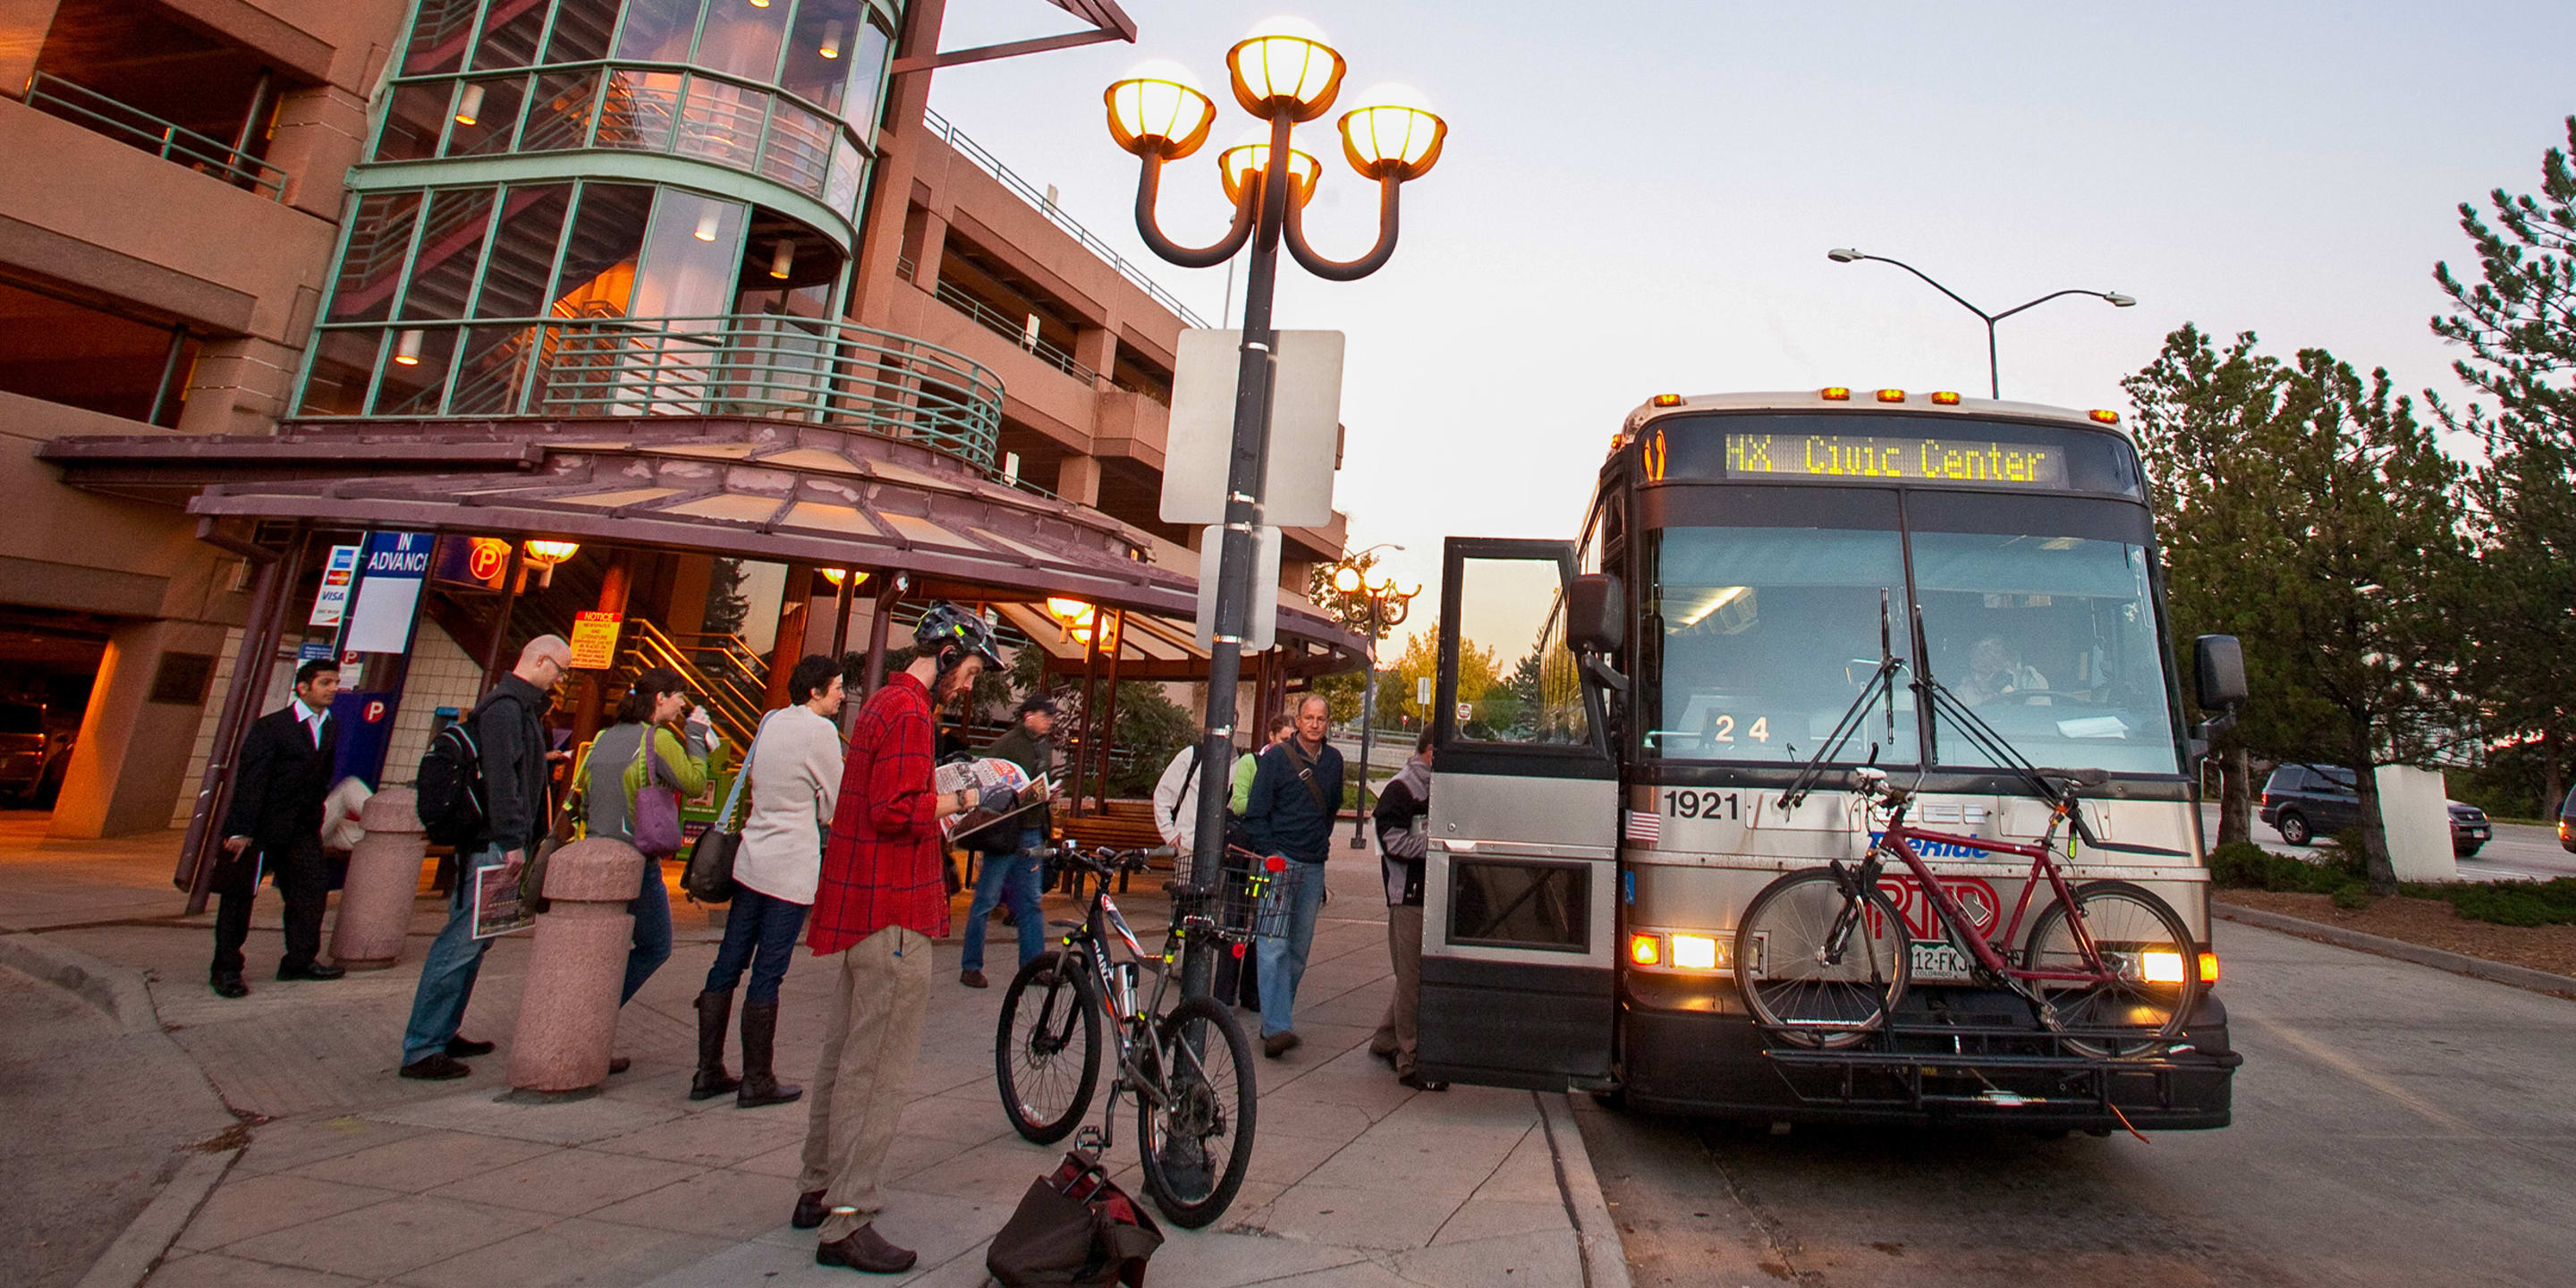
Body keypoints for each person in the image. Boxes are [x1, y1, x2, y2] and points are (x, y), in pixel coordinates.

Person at [792, 604, 1003, 1274]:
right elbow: (898, 808)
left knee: (842, 1053)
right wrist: (969, 801)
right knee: (879, 1067)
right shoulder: (911, 712)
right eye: (968, 672)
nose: (968, 686)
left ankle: (816, 1186)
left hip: (859, 904)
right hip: (894, 914)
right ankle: (846, 1218)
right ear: (945, 657)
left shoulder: (882, 703)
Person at [398, 635, 569, 1080]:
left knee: (476, 940)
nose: (561, 680)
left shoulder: (515, 708)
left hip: (497, 842)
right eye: (560, 669)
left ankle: (442, 1030)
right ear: (540, 660)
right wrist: (513, 838)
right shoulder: (505, 709)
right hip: (491, 844)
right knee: (460, 942)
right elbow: (501, 778)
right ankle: (422, 1046)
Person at [697, 655, 844, 1107]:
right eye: (837, 687)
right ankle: (757, 1078)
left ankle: (708, 1070)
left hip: (751, 859)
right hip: (790, 864)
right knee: (769, 971)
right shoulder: (820, 732)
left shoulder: (771, 721)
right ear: (816, 691)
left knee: (729, 962)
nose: (841, 694)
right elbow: (836, 802)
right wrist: (818, 806)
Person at [581, 668, 712, 1045]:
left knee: (600, 946)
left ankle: (582, 1015)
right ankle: (595, 1016)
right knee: (656, 945)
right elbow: (695, 783)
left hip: (594, 852)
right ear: (660, 699)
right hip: (637, 859)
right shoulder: (658, 740)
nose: (682, 703)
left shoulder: (604, 737)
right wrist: (696, 740)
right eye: (678, 696)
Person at [209, 658, 346, 997]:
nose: (333, 689)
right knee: (239, 898)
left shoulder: (330, 726)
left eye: (335, 682)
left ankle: (299, 960)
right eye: (325, 683)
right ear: (303, 687)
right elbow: (251, 781)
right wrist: (240, 830)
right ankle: (226, 968)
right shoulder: (271, 727)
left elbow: (322, 776)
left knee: (310, 892)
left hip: (301, 829)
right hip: (260, 827)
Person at [1241, 694, 1344, 1058]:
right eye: (1308, 717)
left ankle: (1277, 1017)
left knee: (1298, 951)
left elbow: (1331, 809)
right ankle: (1276, 1027)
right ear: (1297, 721)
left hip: (1313, 863)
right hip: (1281, 861)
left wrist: (1318, 843)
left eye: (1321, 718)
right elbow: (1255, 812)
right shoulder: (1276, 761)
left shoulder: (1333, 762)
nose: (1314, 724)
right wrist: (1271, 853)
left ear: (1327, 723)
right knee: (1273, 945)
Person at [958, 695, 1057, 989]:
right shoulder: (1007, 744)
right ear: (1029, 716)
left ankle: (1033, 967)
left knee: (1030, 902)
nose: (1049, 721)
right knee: (986, 899)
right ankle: (971, 965)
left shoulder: (1043, 745)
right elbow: (987, 779)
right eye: (1045, 715)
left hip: (1031, 828)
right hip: (1006, 830)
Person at [1368, 728, 1445, 1090]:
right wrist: (1437, 846)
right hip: (1408, 895)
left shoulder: (1439, 786)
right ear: (1431, 752)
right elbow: (1392, 842)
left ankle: (1386, 1038)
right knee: (1413, 978)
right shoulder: (1402, 789)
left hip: (1427, 894)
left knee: (1410, 974)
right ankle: (1409, 1058)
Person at [1960, 636, 2049, 707]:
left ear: (2007, 669)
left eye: (1985, 673)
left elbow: (2035, 723)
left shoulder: (2031, 683)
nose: (1976, 678)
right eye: (1974, 671)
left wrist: (2011, 698)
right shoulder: (1965, 690)